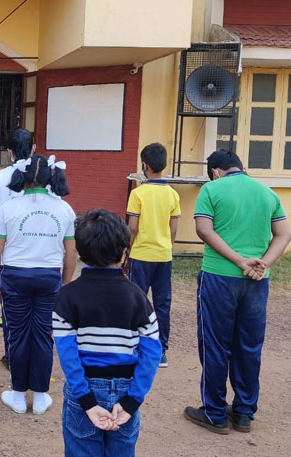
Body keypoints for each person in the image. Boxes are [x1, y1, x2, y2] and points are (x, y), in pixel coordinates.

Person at [184, 150, 290, 434]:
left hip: (219, 277)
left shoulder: (212, 189)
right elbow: (283, 234)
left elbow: (204, 230)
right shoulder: (267, 194)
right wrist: (262, 263)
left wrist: (238, 260)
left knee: (215, 344)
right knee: (249, 346)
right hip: (257, 280)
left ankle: (215, 413)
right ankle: (243, 413)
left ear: (216, 171)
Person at [53, 209, 161, 457]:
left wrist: (87, 402)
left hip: (84, 390)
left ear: (79, 252)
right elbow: (152, 351)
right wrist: (133, 400)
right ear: (125, 252)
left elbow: (67, 356)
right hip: (126, 389)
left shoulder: (67, 297)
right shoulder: (138, 297)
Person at [0, 154, 77, 415]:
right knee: (42, 336)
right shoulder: (64, 209)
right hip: (49, 278)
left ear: (23, 176)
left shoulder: (8, 207)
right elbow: (71, 253)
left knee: (17, 334)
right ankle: (39, 397)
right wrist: (65, 283)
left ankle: (17, 395)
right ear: (51, 177)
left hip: (14, 277)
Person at [126, 142, 181, 368]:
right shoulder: (173, 194)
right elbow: (174, 228)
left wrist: (126, 252)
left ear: (144, 165)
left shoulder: (137, 193)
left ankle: (136, 344)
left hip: (140, 255)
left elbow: (132, 228)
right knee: (162, 303)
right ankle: (161, 351)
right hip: (163, 256)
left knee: (137, 301)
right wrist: (167, 246)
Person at [0, 128, 34, 369]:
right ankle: (37, 355)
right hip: (41, 253)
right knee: (39, 310)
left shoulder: (1, 178)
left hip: (9, 252)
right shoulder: (43, 175)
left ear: (8, 152)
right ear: (33, 149)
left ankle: (12, 355)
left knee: (12, 310)